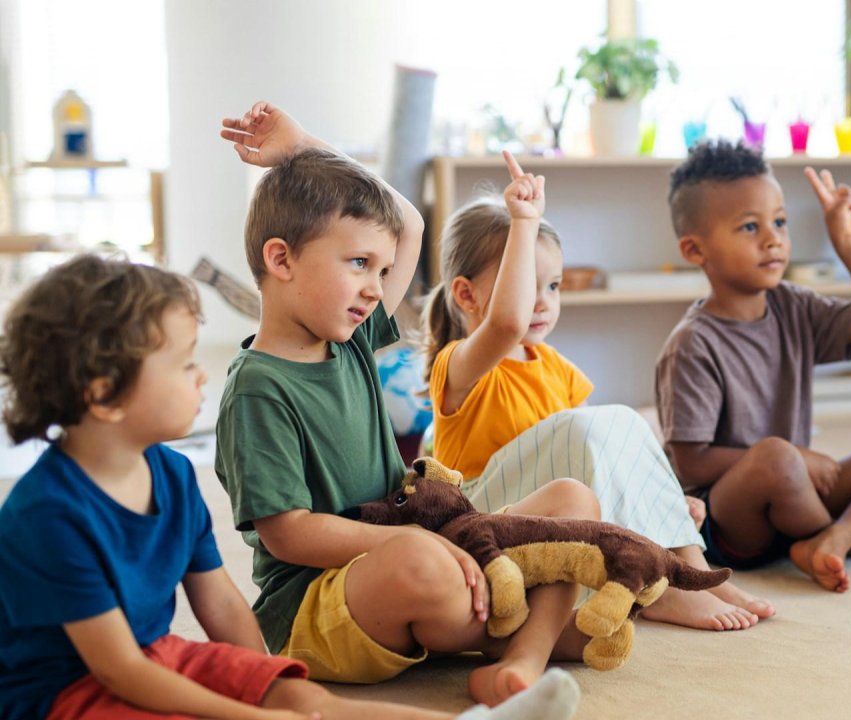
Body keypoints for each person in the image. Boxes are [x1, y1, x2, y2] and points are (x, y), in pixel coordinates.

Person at [0, 255, 582, 720]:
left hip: (157, 655)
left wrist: (263, 682)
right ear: (104, 395)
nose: (203, 373)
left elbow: (221, 601)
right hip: (66, 695)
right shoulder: (46, 515)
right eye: (183, 365)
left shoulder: (172, 475)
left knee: (306, 702)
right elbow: (118, 672)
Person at [214, 102, 597, 707]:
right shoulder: (258, 386)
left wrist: (302, 148)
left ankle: (521, 652)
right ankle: (532, 632)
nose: (376, 286)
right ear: (281, 259)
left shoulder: (351, 336)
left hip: (411, 536)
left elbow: (410, 221)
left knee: (572, 500)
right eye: (360, 264)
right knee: (427, 559)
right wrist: (422, 546)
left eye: (383, 268)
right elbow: (289, 535)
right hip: (320, 606)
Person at [424, 151, 773, 631]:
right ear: (466, 295)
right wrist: (524, 222)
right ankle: (658, 587)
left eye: (554, 285)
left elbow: (601, 465)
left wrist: (663, 501)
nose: (544, 301)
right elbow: (505, 323)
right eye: (529, 284)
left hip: (562, 519)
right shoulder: (459, 366)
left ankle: (691, 570)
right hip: (490, 518)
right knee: (592, 422)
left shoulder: (558, 370)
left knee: (620, 422)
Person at [655, 139, 851, 593]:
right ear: (694, 249)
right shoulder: (692, 343)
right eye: (750, 227)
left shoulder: (792, 306)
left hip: (799, 489)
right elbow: (691, 460)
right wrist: (795, 456)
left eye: (780, 222)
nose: (774, 239)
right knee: (776, 454)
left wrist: (848, 242)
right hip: (732, 522)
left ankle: (836, 537)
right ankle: (850, 538)